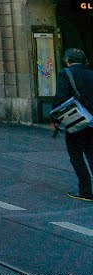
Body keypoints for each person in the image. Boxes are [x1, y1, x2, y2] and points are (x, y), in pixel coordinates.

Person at [53, 48, 93, 202]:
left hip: (76, 120)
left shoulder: (66, 73)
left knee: (76, 156)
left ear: (67, 60)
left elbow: (61, 98)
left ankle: (85, 190)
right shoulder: (91, 73)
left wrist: (55, 120)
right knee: (91, 154)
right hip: (92, 121)